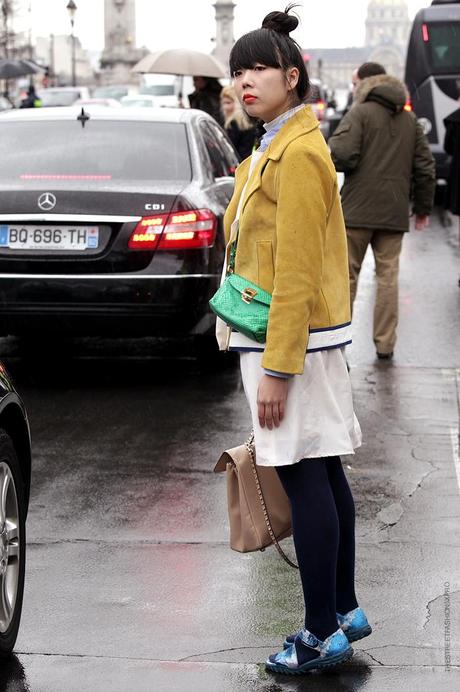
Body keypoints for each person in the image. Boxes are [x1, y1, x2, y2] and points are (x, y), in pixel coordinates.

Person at [216, 4, 368, 676]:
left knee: (305, 473)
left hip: (291, 343)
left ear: (292, 75)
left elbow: (297, 267)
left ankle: (318, 633)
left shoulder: (298, 153)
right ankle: (342, 610)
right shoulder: (277, 146)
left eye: (258, 67)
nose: (245, 80)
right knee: (323, 468)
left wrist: (278, 368)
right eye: (238, 69)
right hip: (295, 340)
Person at [329, 62, 436, 360]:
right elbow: (425, 168)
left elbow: (341, 154)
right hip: (393, 212)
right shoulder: (409, 119)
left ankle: (338, 343)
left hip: (356, 212)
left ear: (366, 84)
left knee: (346, 278)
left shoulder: (359, 114)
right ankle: (385, 344)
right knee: (388, 278)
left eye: (354, 84)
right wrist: (423, 207)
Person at [220, 84, 257, 160]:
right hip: (247, 162)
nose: (225, 107)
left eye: (228, 103)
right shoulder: (245, 121)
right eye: (224, 103)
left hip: (238, 164)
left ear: (237, 103)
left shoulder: (234, 123)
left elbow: (230, 149)